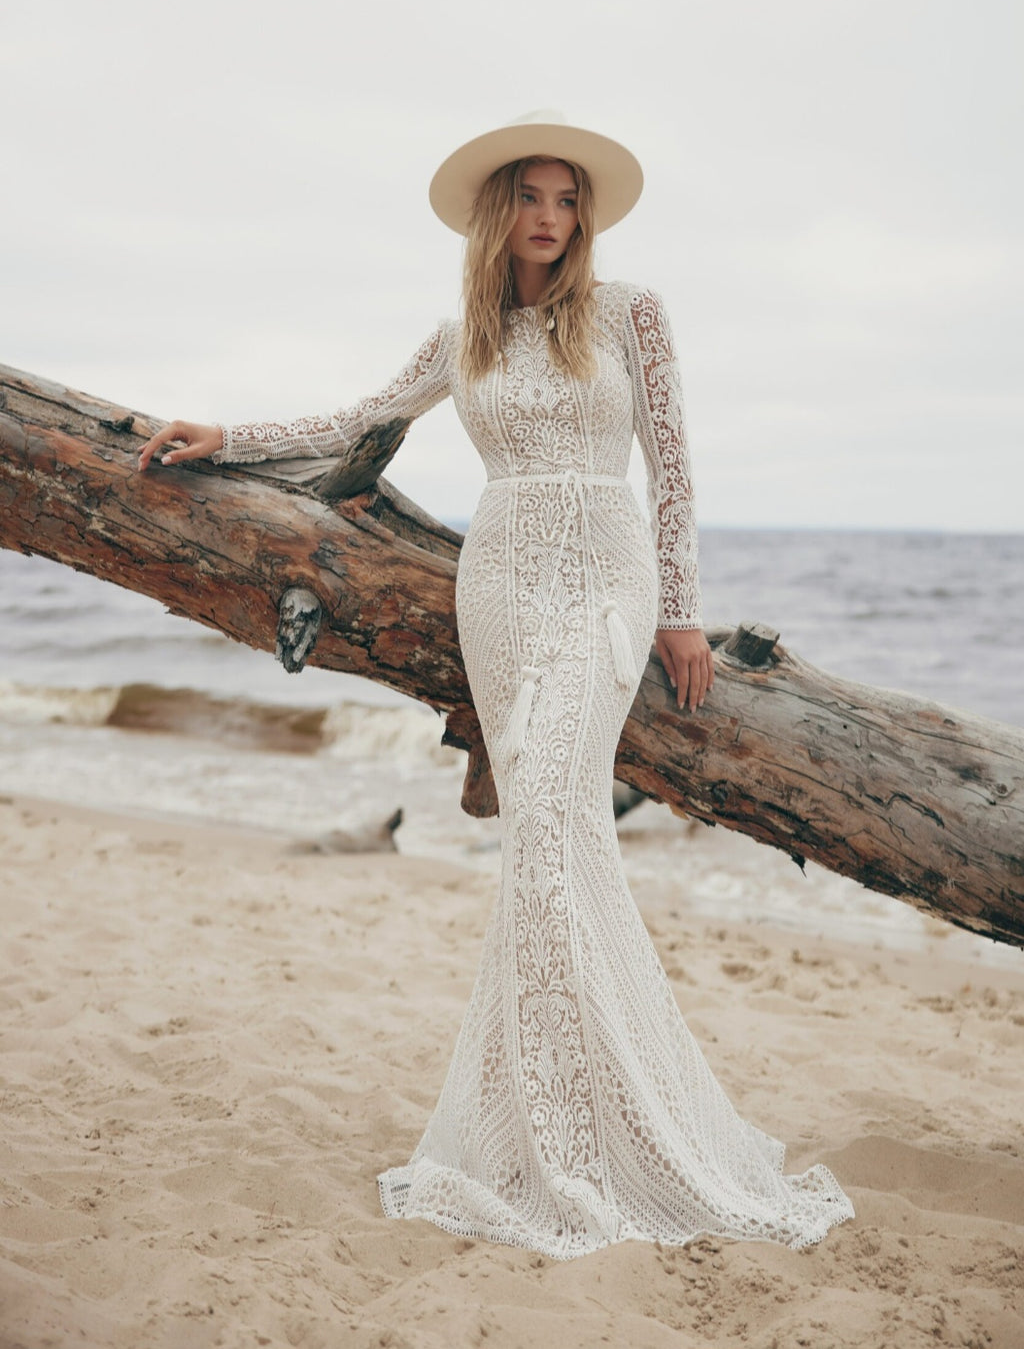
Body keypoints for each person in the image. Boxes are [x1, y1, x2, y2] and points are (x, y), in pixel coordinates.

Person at [137, 110, 854, 1258]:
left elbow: (672, 466)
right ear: (496, 210)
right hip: (503, 579)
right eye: (533, 196)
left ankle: (615, 1123)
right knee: (542, 832)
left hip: (604, 574)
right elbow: (353, 422)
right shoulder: (459, 334)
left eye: (569, 201)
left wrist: (677, 609)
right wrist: (224, 437)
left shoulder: (632, 314)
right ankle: (541, 1124)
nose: (553, 219)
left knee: (565, 815)